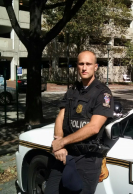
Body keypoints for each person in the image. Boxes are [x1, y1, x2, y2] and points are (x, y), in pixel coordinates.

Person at [45, 51, 114, 194]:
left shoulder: (103, 93)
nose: (84, 68)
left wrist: (63, 142)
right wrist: (58, 143)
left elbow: (94, 127)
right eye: (81, 64)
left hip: (87, 159)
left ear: (95, 67)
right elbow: (61, 116)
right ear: (77, 66)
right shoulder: (72, 90)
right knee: (51, 191)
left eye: (88, 64)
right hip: (64, 155)